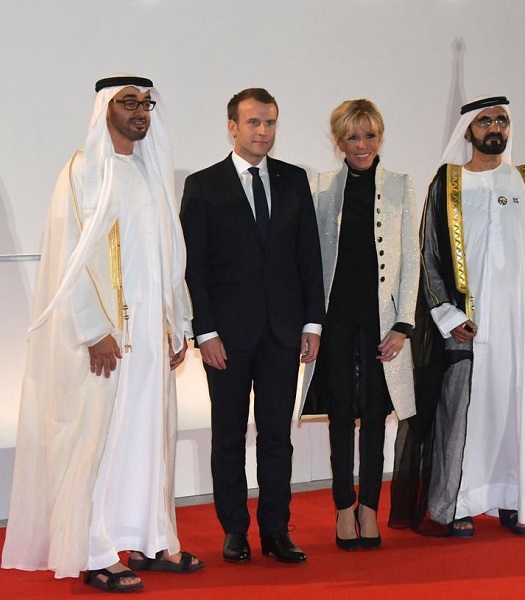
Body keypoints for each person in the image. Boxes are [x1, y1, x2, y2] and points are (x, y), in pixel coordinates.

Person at [1, 75, 203, 593]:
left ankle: (150, 538)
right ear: (104, 109)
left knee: (149, 438)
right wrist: (93, 330)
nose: (140, 112)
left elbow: (169, 257)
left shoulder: (150, 171)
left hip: (151, 345)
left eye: (145, 103)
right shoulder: (83, 171)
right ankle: (94, 551)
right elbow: (71, 256)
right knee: (100, 443)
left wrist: (178, 321)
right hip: (108, 343)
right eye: (128, 102)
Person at [389, 95, 525, 538]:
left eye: (501, 120)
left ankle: (514, 499)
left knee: (513, 411)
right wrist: (446, 316)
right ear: (467, 130)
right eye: (484, 120)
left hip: (517, 327)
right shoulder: (448, 182)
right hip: (468, 326)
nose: (494, 128)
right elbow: (427, 254)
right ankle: (456, 503)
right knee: (459, 413)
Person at [181, 88, 325, 564]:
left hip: (284, 334)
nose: (263, 132)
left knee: (276, 437)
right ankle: (234, 531)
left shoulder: (293, 180)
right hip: (226, 338)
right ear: (232, 126)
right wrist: (205, 333)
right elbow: (194, 268)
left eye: (270, 123)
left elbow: (309, 256)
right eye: (253, 123)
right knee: (226, 436)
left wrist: (313, 323)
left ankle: (276, 531)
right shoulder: (203, 185)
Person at [299, 99, 419, 551]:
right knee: (339, 419)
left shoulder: (403, 186)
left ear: (379, 137)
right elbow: (311, 260)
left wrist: (403, 325)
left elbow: (411, 261)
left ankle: (370, 506)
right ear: (339, 142)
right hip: (335, 322)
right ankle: (343, 508)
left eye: (369, 135)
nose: (362, 145)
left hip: (381, 322)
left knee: (374, 417)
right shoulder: (322, 186)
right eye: (353, 137)